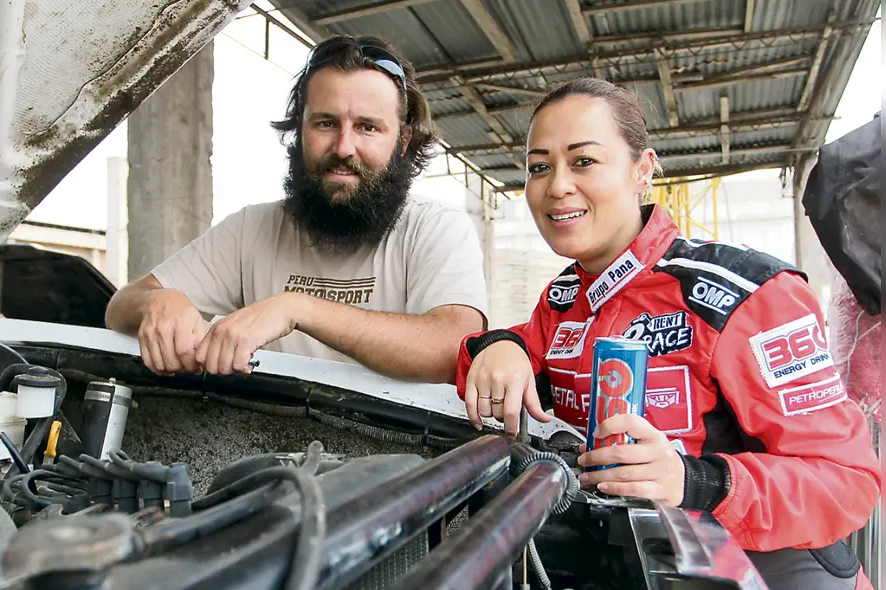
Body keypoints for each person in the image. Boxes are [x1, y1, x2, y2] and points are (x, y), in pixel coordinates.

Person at [454, 77, 881, 589]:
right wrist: (502, 344)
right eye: (539, 167)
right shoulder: (564, 298)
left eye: (583, 161)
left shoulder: (749, 294)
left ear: (643, 171)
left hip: (767, 570)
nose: (557, 185)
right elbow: (522, 350)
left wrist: (697, 481)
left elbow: (848, 483)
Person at [105, 35, 488, 384]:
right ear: (299, 130)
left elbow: (454, 347)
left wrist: (296, 309)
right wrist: (157, 302)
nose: (343, 147)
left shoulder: (436, 228)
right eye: (325, 123)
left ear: (403, 140)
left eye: (368, 128)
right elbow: (119, 308)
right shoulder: (252, 228)